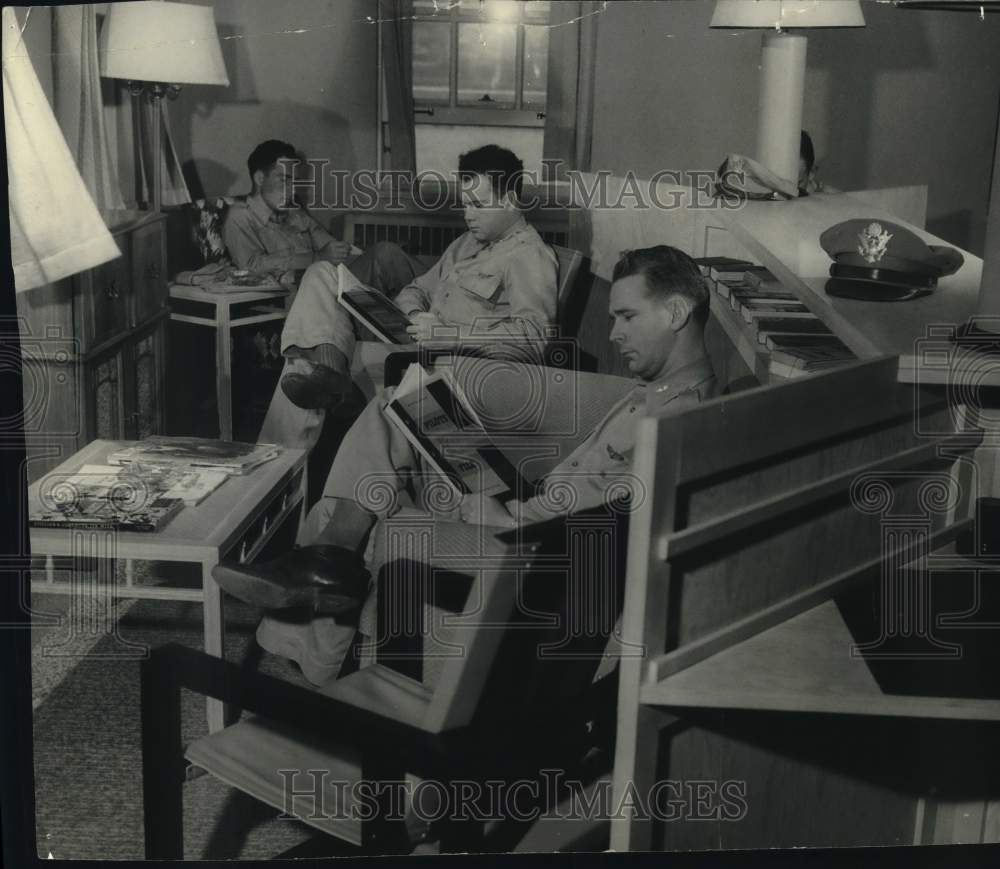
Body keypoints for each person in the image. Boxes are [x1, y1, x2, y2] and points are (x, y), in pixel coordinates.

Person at [214, 244, 718, 685]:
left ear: (676, 312)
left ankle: (327, 569)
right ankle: (332, 557)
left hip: (523, 539)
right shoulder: (657, 391)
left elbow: (600, 530)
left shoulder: (677, 425)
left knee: (387, 485)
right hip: (522, 498)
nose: (613, 334)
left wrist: (507, 517)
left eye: (627, 317)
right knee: (399, 406)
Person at [257, 144, 559, 449]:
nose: (468, 215)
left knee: (301, 364)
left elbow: (533, 338)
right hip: (412, 343)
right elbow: (417, 289)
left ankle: (275, 459)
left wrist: (446, 335)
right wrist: (413, 315)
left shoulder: (529, 255)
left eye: (478, 205)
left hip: (441, 365)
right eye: (465, 204)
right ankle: (329, 373)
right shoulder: (467, 243)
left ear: (510, 200)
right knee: (321, 272)